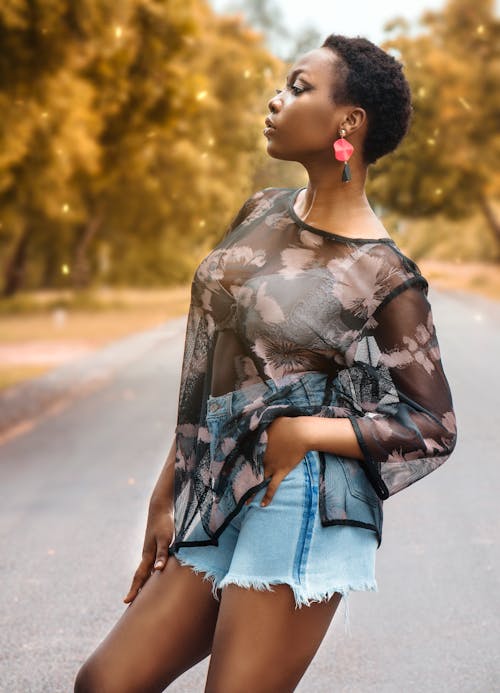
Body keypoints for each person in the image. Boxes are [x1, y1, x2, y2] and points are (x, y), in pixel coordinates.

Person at [74, 34, 457, 693]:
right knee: (105, 681)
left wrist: (309, 430)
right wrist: (169, 487)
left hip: (302, 496)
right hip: (225, 481)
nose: (277, 100)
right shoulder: (262, 208)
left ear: (349, 123)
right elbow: (225, 368)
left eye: (300, 87)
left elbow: (433, 426)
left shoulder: (383, 271)